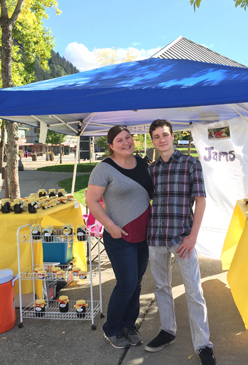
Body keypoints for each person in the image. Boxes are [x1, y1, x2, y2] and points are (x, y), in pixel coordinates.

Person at [144, 119, 216, 365]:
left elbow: (201, 201)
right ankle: (168, 331)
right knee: (161, 287)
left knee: (194, 290)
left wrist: (193, 236)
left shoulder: (190, 163)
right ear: (152, 141)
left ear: (173, 136)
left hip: (182, 237)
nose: (161, 139)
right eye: (156, 136)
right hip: (155, 237)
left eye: (165, 134)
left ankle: (203, 345)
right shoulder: (151, 170)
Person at [86, 125, 153, 350]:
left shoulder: (143, 163)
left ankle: (128, 325)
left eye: (128, 138)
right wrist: (111, 226)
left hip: (143, 235)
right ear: (111, 146)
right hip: (119, 235)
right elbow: (92, 201)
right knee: (127, 284)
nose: (126, 143)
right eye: (119, 140)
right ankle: (112, 329)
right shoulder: (104, 168)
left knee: (137, 283)